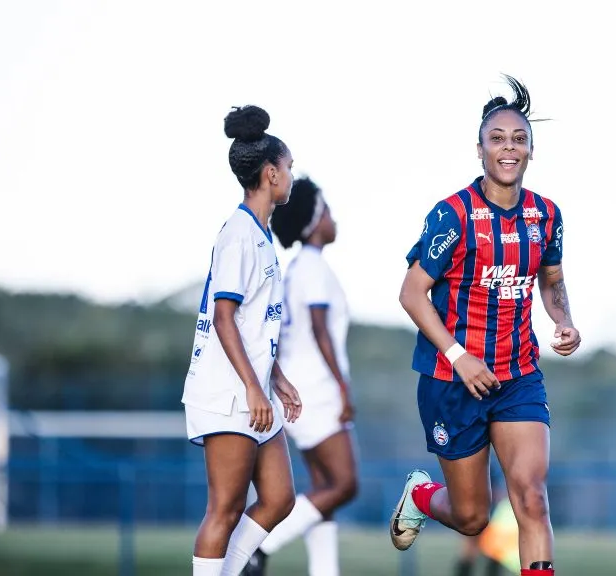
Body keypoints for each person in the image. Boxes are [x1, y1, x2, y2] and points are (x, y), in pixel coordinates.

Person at [390, 74, 581, 576]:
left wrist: (563, 320)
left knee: (532, 501)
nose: (508, 147)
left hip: (518, 376)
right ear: (479, 150)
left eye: (519, 139)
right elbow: (412, 293)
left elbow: (552, 281)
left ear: (532, 150)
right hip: (452, 379)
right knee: (473, 518)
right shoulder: (452, 215)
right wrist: (459, 356)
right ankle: (421, 493)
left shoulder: (546, 215)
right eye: (497, 138)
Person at [181, 104, 303, 576]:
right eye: (289, 167)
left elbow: (255, 324)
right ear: (271, 174)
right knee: (225, 509)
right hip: (227, 393)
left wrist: (277, 377)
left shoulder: (261, 235)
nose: (292, 176)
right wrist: (254, 387)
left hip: (254, 387)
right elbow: (224, 318)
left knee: (278, 498)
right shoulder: (237, 234)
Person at [242, 177, 359, 576]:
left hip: (301, 389)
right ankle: (255, 547)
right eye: (326, 210)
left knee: (324, 489)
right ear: (311, 223)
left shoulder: (300, 267)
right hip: (317, 391)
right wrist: (344, 389)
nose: (333, 218)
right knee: (344, 485)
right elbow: (320, 330)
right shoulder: (311, 267)